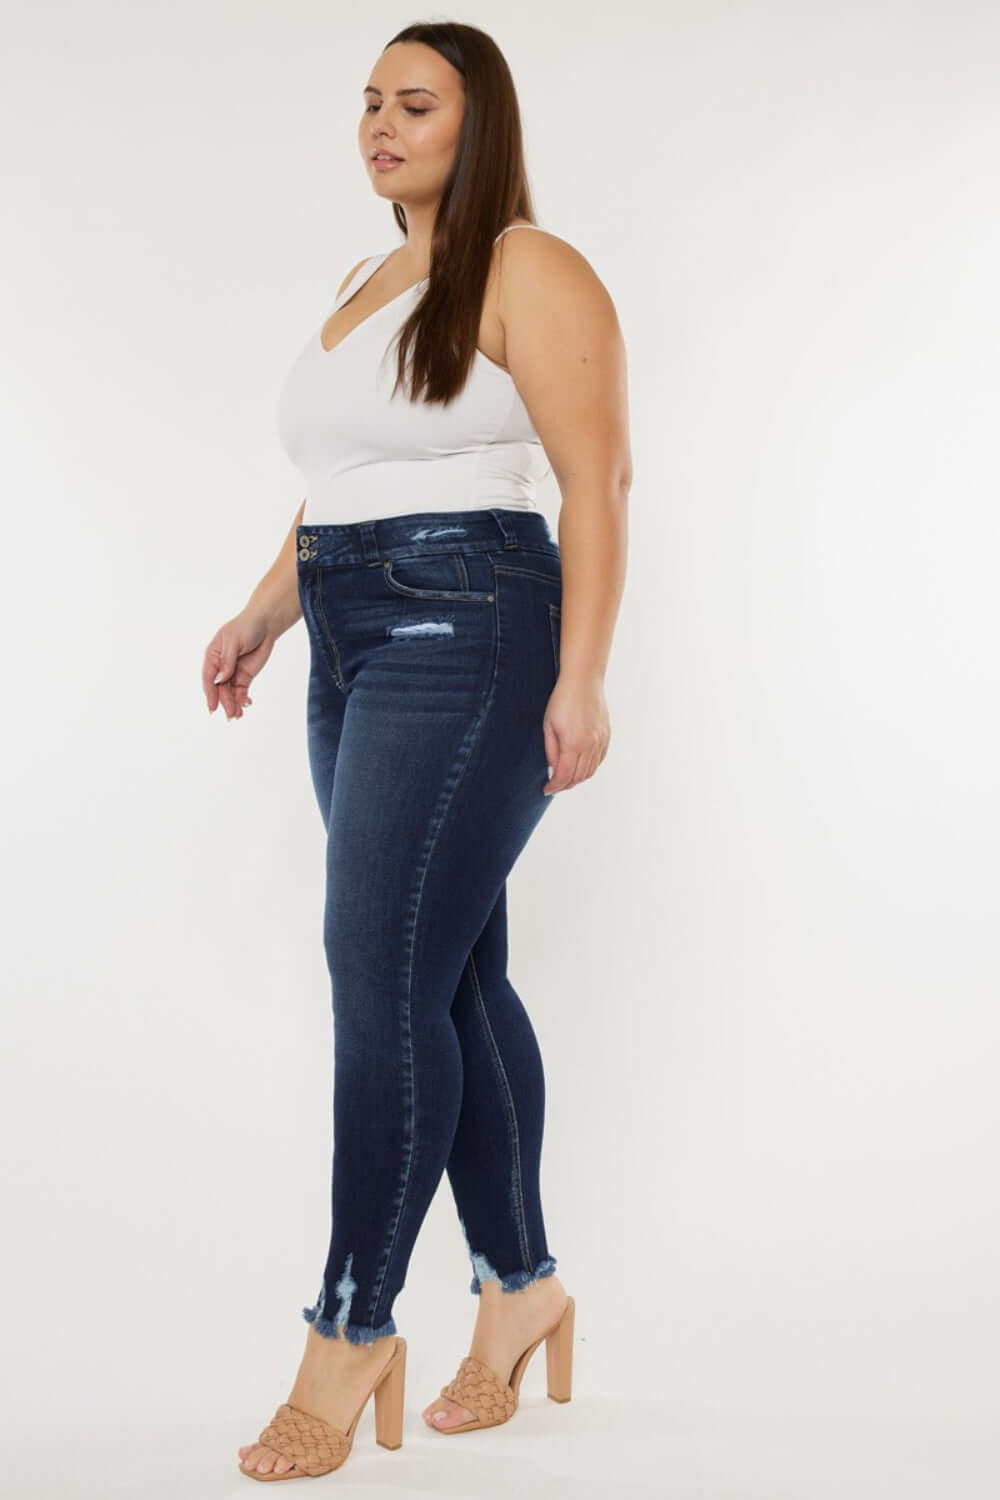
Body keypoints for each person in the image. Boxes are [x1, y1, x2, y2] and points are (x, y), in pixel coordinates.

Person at [202, 20, 630, 1482]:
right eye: (369, 103)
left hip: (476, 632)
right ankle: (524, 1299)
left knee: (378, 976)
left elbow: (597, 479)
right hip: (350, 630)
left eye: (416, 103)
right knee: (446, 974)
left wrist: (583, 678)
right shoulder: (363, 283)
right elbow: (344, 480)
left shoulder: (530, 266)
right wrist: (267, 612)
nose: (381, 124)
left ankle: (350, 1326)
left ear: (479, 121)